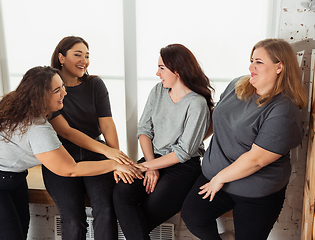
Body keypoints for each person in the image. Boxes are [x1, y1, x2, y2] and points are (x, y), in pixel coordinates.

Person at [0, 66, 144, 240]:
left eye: (62, 86)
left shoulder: (21, 101)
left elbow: (69, 132)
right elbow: (70, 169)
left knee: (19, 233)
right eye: (57, 90)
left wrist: (111, 152)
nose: (65, 93)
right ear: (40, 95)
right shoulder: (37, 128)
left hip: (11, 177)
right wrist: (113, 164)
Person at [181, 38, 307, 240]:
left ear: (279, 67)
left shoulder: (283, 110)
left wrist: (219, 179)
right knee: (193, 217)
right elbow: (217, 117)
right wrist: (189, 143)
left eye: (259, 61)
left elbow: (256, 159)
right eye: (251, 60)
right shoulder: (237, 85)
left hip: (256, 191)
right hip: (215, 176)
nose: (251, 67)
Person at [113, 43, 214, 240]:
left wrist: (147, 166)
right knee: (121, 194)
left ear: (177, 70)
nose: (157, 73)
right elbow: (144, 130)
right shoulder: (158, 91)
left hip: (183, 166)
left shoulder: (197, 103)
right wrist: (150, 166)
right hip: (153, 157)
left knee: (145, 214)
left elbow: (183, 152)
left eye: (161, 68)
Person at [41, 36, 134, 240]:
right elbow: (65, 131)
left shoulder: (95, 84)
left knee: (106, 211)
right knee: (73, 219)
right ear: (61, 57)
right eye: (77, 54)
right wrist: (108, 153)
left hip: (95, 152)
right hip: (61, 154)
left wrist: (114, 157)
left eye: (87, 55)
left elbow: (107, 123)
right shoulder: (50, 89)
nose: (84, 60)